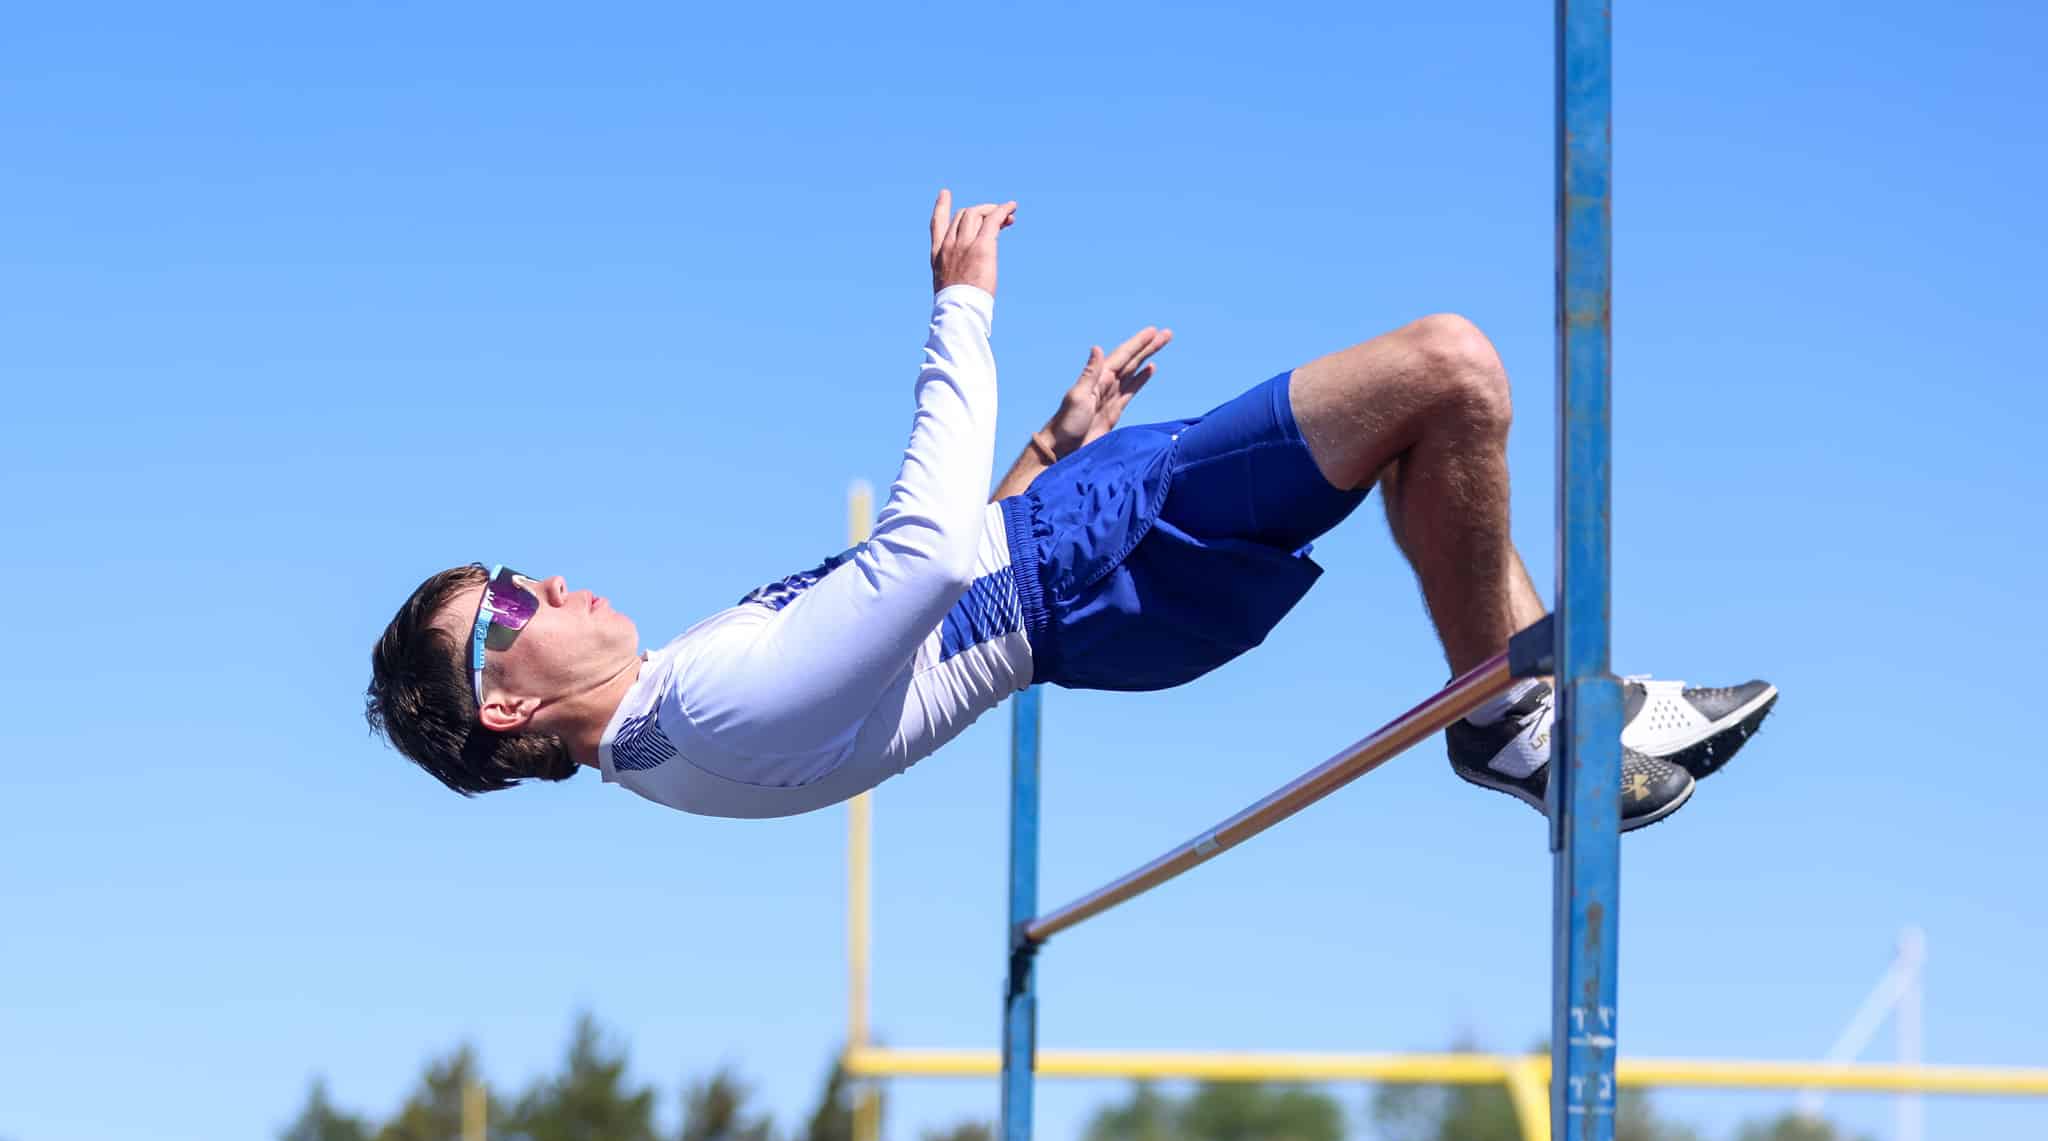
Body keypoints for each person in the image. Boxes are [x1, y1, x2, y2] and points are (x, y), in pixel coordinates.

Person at [366, 192, 1775, 832]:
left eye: (512, 573)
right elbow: (924, 565)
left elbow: (918, 608)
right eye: (503, 610)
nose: (542, 587)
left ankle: (1539, 710)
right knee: (1449, 368)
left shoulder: (684, 706)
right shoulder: (702, 719)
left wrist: (1050, 439)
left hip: (1075, 546)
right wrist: (960, 308)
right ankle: (1515, 719)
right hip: (1095, 576)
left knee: (1436, 418)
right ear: (503, 710)